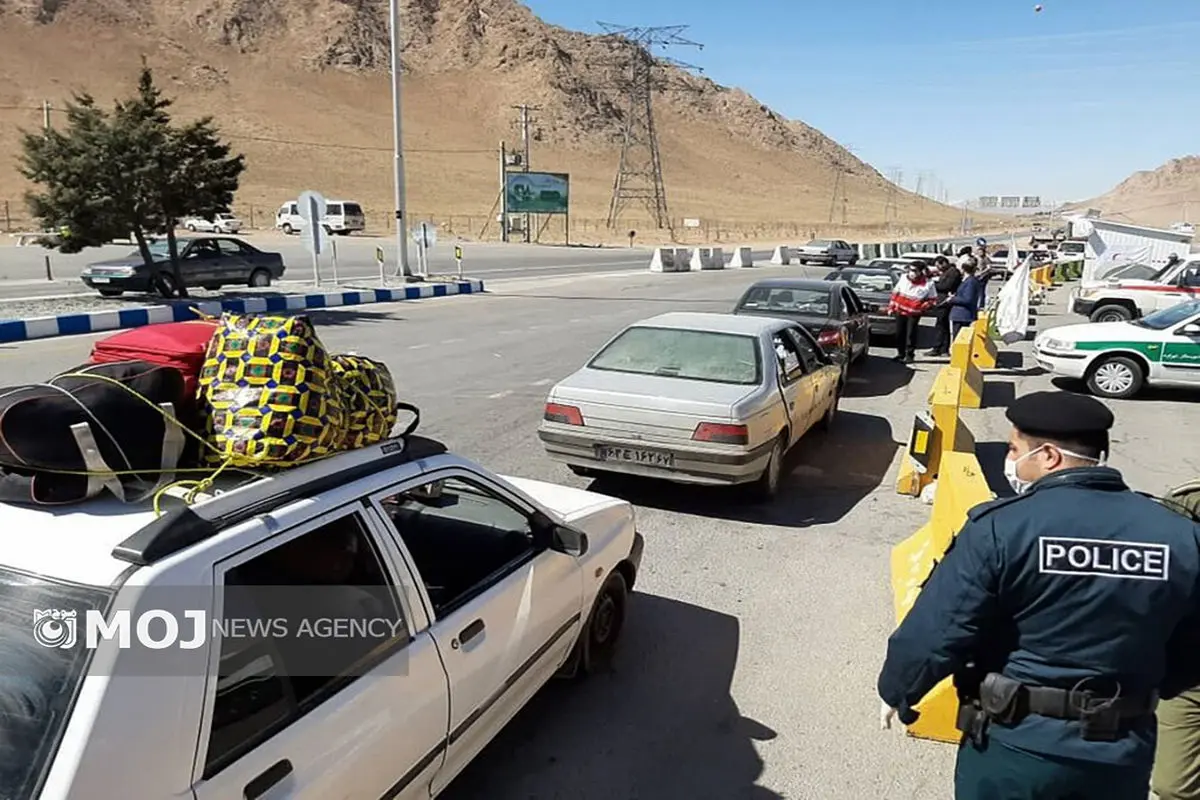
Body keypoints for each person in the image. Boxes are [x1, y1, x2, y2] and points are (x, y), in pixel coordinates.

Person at [877, 391, 1200, 800]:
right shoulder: (1180, 537)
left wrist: (899, 690)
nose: (1010, 460)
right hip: (1121, 750)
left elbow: (941, 627)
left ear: (1048, 455)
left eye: (1014, 448)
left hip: (1017, 746)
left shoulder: (1003, 528)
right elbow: (1191, 653)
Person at [886, 263, 938, 363]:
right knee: (899, 333)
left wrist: (923, 306)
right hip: (900, 310)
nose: (912, 273)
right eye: (911, 270)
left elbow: (933, 299)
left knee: (911, 334)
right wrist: (891, 307)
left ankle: (909, 355)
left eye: (915, 271)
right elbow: (895, 293)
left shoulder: (928, 283)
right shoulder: (903, 278)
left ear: (920, 272)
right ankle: (900, 354)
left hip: (914, 313)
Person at [926, 255, 963, 356]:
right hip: (941, 302)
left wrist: (933, 285)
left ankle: (941, 348)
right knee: (941, 325)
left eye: (938, 266)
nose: (938, 268)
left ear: (944, 263)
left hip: (945, 302)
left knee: (942, 325)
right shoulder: (947, 272)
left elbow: (946, 286)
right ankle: (940, 348)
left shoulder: (953, 272)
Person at [945, 258, 983, 344]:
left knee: (960, 340)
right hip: (961, 314)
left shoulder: (970, 282)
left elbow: (967, 299)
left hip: (963, 315)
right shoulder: (967, 280)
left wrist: (952, 299)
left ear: (963, 269)